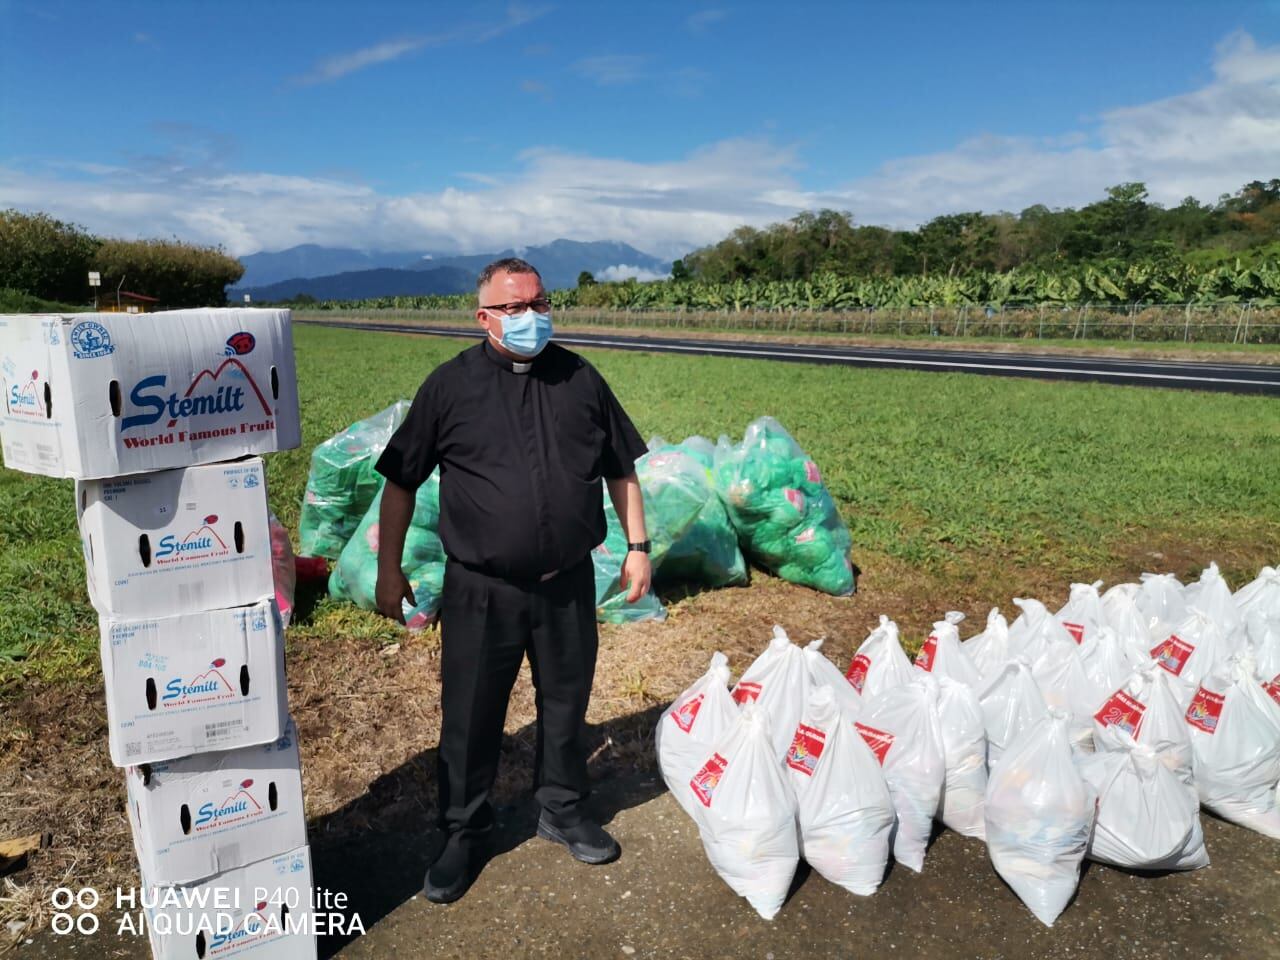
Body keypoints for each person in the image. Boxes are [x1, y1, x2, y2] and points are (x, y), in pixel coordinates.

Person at [373, 257, 652, 903]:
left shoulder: (580, 378)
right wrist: (390, 570)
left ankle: (562, 808)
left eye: (538, 303)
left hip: (566, 583)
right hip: (481, 589)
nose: (530, 317)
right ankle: (463, 832)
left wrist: (638, 547)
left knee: (565, 703)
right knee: (470, 717)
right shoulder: (450, 387)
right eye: (513, 307)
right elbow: (401, 484)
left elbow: (622, 469)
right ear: (484, 317)